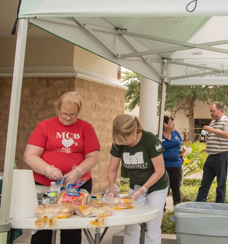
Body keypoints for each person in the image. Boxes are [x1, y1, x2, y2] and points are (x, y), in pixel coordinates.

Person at [23, 91, 100, 244]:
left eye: (72, 114)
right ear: (58, 109)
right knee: (43, 225)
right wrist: (48, 170)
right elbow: (29, 156)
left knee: (71, 228)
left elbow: (93, 157)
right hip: (45, 185)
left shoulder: (86, 128)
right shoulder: (45, 126)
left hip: (77, 185)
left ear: (78, 112)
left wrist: (77, 171)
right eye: (64, 113)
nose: (67, 117)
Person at [107, 114, 169, 244]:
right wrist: (112, 188)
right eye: (120, 141)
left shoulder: (150, 140)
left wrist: (141, 191)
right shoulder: (118, 142)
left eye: (125, 139)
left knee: (152, 227)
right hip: (135, 185)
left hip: (157, 187)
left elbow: (160, 171)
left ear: (135, 131)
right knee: (131, 225)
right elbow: (112, 169)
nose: (123, 143)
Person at [196, 102, 228, 203]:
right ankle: (198, 205)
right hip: (211, 156)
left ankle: (219, 207)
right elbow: (209, 138)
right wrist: (203, 138)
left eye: (213, 111)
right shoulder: (212, 123)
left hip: (222, 156)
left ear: (220, 110)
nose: (211, 114)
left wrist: (212, 130)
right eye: (210, 112)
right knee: (204, 184)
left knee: (220, 185)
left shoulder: (227, 121)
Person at [159, 115, 183, 205]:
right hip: (164, 165)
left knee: (176, 187)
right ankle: (162, 207)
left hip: (176, 165)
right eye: (171, 122)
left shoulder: (176, 134)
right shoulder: (159, 136)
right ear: (165, 124)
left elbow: (181, 145)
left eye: (174, 121)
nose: (174, 123)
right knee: (164, 187)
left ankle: (177, 206)